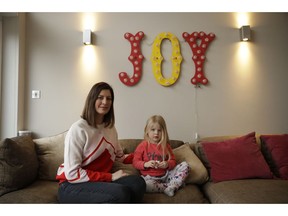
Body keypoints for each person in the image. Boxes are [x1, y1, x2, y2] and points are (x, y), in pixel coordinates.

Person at [56, 82, 146, 203]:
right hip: (71, 185)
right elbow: (73, 174)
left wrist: (145, 156)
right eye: (100, 97)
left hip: (97, 181)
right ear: (92, 99)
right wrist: (111, 177)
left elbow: (120, 157)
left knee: (138, 183)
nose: (105, 102)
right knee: (120, 193)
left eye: (109, 98)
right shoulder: (78, 129)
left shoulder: (110, 128)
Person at [133, 115, 190, 197]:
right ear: (147, 131)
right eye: (153, 130)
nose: (156, 133)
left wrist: (167, 164)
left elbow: (173, 161)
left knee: (185, 165)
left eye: (159, 130)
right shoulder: (143, 146)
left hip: (166, 175)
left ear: (164, 132)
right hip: (150, 178)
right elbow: (135, 162)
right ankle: (171, 186)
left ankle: (174, 184)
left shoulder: (166, 146)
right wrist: (146, 164)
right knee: (144, 185)